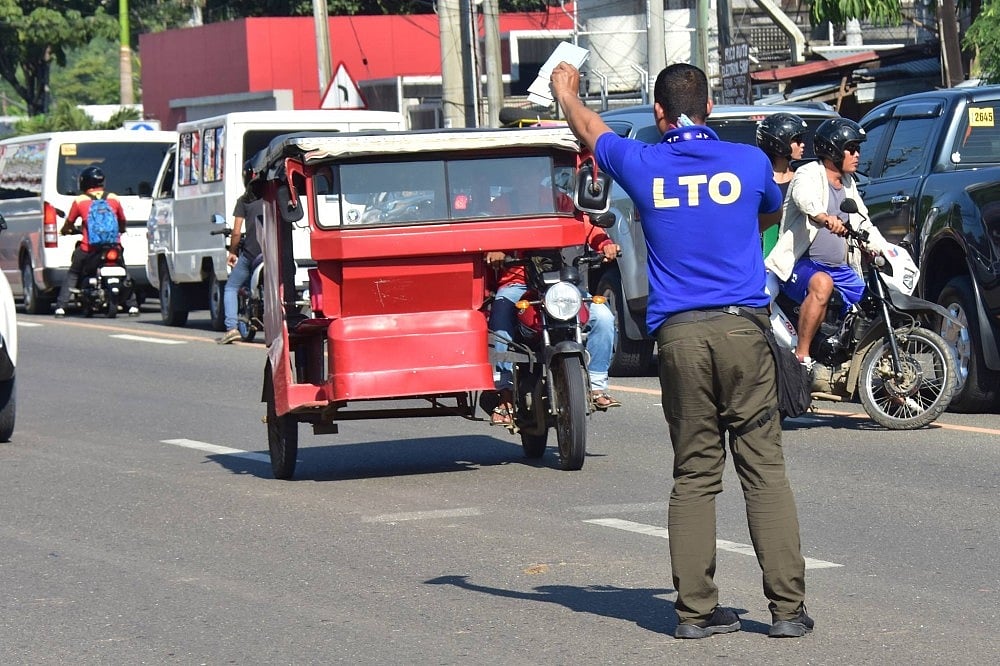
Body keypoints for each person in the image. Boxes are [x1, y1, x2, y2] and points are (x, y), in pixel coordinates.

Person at [551, 61, 812, 639]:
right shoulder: (746, 162)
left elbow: (591, 130)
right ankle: (787, 612)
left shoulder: (644, 163)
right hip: (744, 330)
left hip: (678, 339)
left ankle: (695, 613)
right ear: (711, 107)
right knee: (763, 469)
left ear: (658, 113)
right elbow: (770, 207)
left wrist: (566, 92)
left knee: (695, 474)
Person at [484, 172, 620, 427]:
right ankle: (504, 394)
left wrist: (605, 244)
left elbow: (588, 226)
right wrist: (496, 250)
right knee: (500, 320)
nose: (525, 179)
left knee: (603, 316)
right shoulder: (501, 205)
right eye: (521, 173)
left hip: (558, 281)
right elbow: (491, 233)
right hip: (517, 281)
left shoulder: (559, 200)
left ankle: (598, 386)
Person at [764, 118, 888, 368]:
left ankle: (876, 364)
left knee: (875, 302)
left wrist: (885, 249)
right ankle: (802, 355)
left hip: (840, 269)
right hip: (801, 265)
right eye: (851, 148)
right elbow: (805, 200)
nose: (857, 155)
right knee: (823, 283)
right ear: (833, 149)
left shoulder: (849, 183)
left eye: (858, 149)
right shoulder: (808, 173)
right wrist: (824, 217)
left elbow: (864, 222)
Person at [54, 166, 139, 318]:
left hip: (89, 248)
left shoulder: (80, 201)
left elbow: (70, 222)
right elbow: (122, 220)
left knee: (73, 272)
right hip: (114, 246)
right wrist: (121, 230)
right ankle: (132, 305)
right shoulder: (114, 198)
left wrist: (66, 231)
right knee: (124, 271)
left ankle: (61, 306)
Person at [218, 163, 264, 345]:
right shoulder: (275, 197)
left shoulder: (244, 201)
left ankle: (231, 328)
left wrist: (232, 251)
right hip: (272, 254)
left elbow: (236, 232)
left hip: (252, 255)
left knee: (230, 287)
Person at [756, 112, 808, 255]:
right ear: (779, 143)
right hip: (767, 259)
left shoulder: (804, 177)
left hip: (801, 256)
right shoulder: (758, 180)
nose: (803, 145)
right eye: (797, 140)